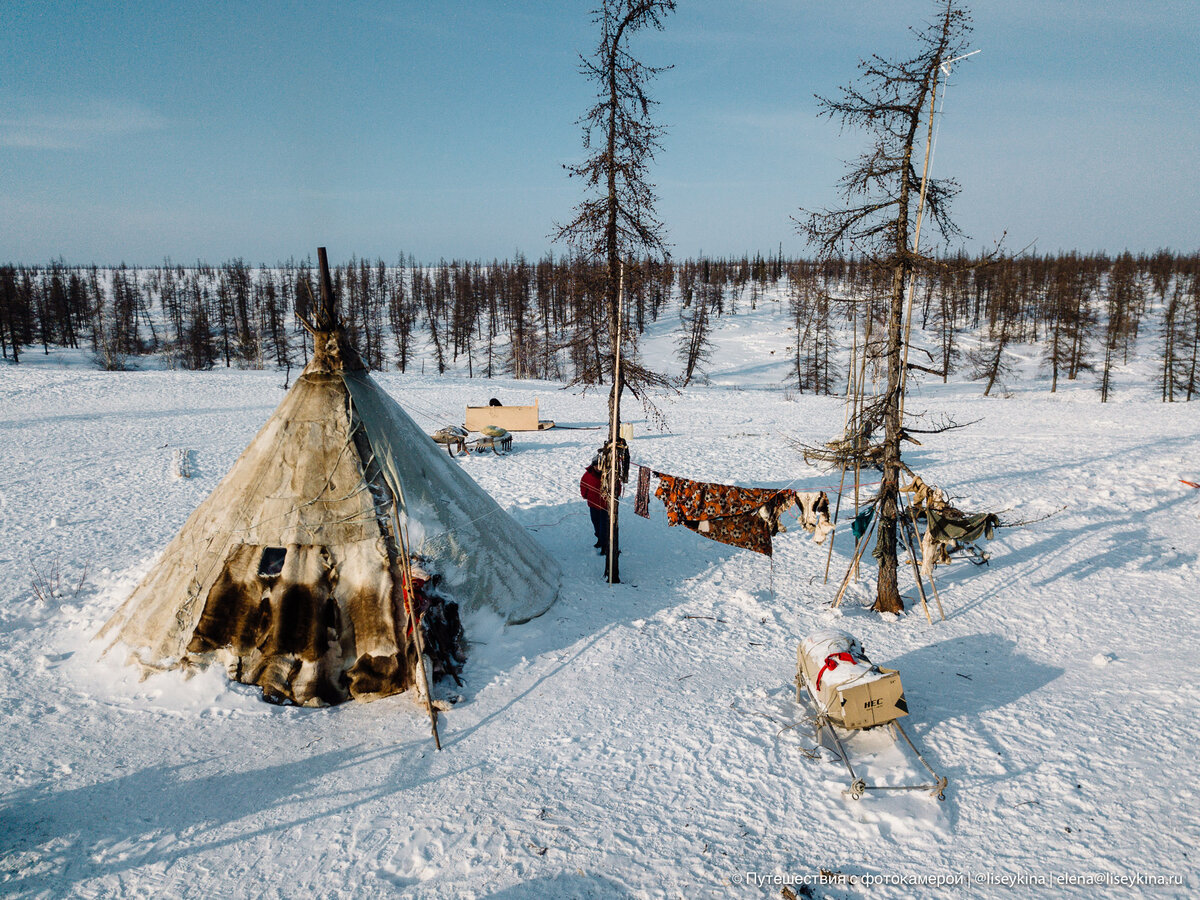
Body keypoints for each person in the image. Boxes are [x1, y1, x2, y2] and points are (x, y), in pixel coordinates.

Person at [580, 456, 620, 556]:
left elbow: (617, 485)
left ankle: (605, 546)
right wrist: (585, 495)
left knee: (604, 526)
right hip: (593, 504)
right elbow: (583, 485)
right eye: (596, 465)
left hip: (605, 506)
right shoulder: (588, 475)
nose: (598, 467)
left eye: (600, 465)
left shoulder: (608, 475)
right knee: (596, 524)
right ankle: (599, 539)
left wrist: (616, 496)